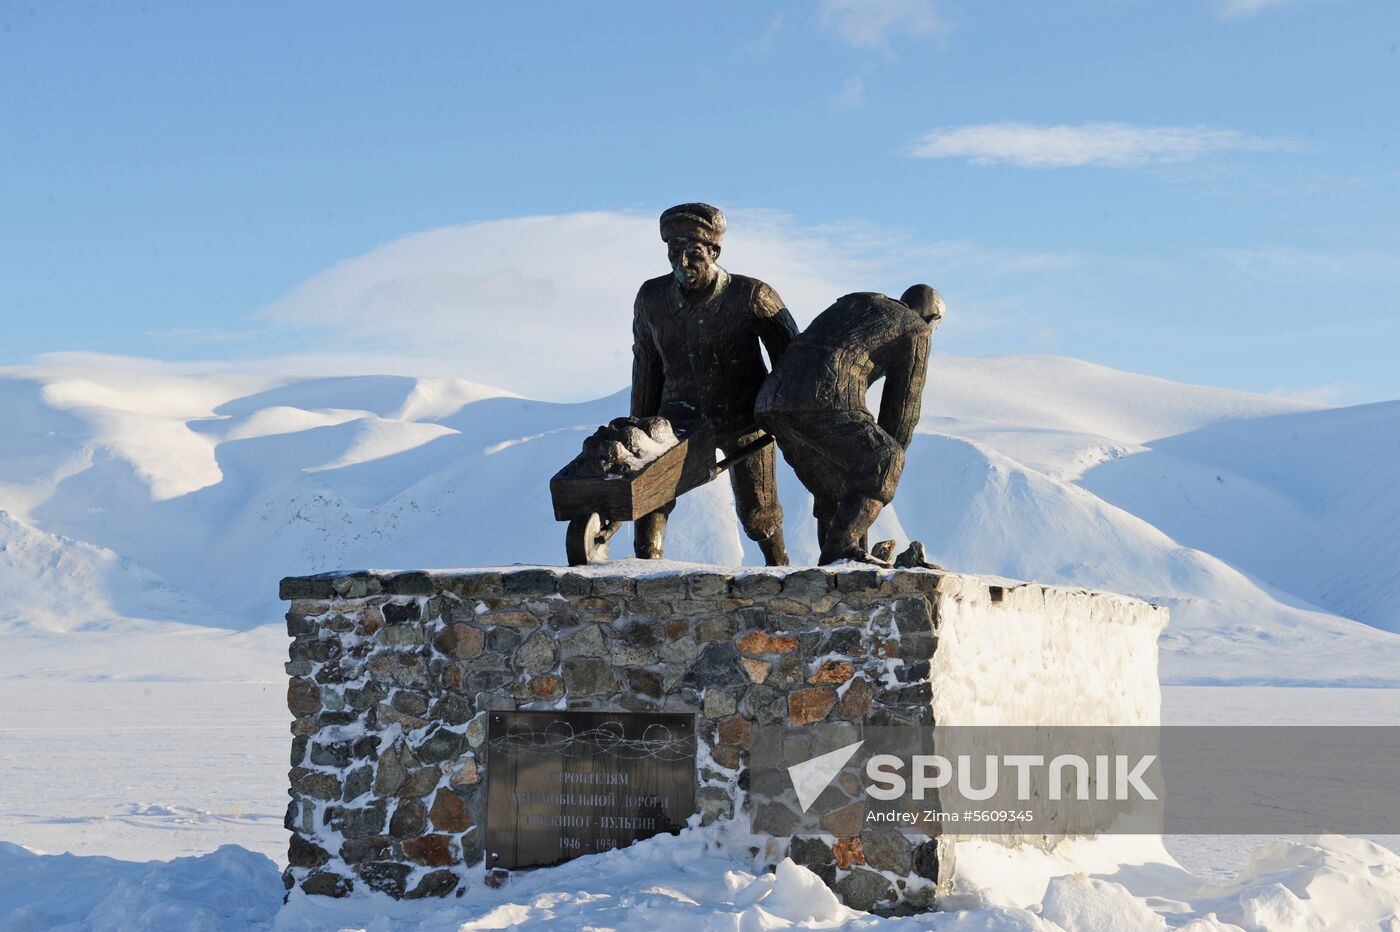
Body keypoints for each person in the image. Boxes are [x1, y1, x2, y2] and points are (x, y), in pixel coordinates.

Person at [630, 203, 798, 564]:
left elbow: (792, 362)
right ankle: (644, 572)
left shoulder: (753, 296)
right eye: (675, 254)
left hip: (744, 418)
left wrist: (784, 417)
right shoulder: (651, 299)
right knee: (649, 496)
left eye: (693, 254)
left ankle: (780, 571)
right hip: (676, 420)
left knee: (759, 516)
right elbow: (646, 367)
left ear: (714, 252)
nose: (683, 264)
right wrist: (640, 426)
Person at [755, 284, 945, 564]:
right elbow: (904, 407)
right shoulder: (917, 329)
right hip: (825, 399)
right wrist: (889, 463)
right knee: (884, 458)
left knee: (836, 486)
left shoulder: (853, 305)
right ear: (932, 320)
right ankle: (841, 549)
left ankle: (839, 562)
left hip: (771, 400)